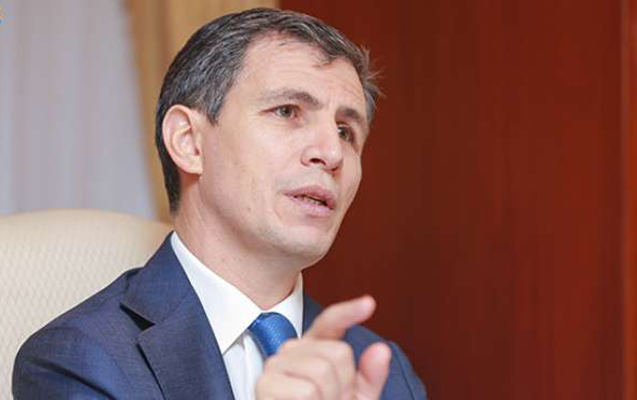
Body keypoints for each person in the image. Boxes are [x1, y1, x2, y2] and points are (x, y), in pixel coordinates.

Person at [13, 8, 427, 399]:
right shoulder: (78, 359)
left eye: (345, 131)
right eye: (287, 111)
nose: (332, 153)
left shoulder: (381, 371)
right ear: (189, 143)